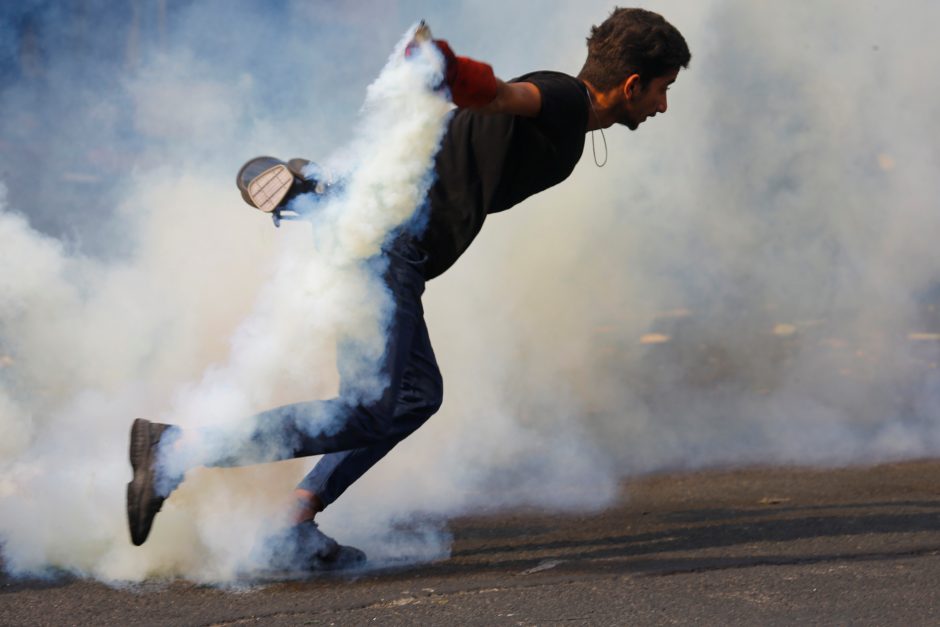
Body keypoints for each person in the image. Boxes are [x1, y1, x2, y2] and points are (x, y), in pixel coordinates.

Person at [127, 7, 691, 569]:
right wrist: (450, 69)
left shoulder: (562, 107)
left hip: (385, 241)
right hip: (389, 248)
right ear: (632, 84)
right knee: (369, 409)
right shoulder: (564, 100)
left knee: (415, 396)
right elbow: (501, 96)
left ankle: (319, 193)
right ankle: (177, 450)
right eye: (663, 90)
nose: (664, 106)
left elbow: (468, 121)